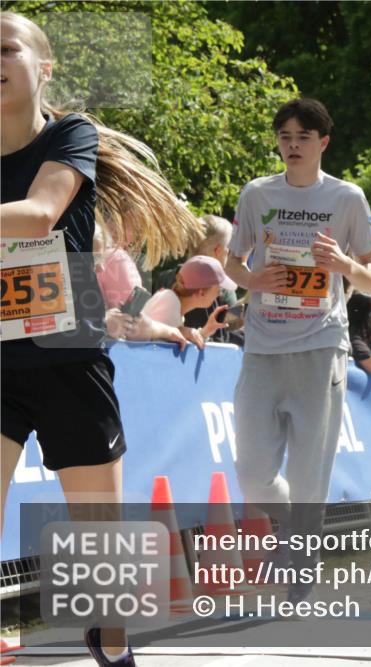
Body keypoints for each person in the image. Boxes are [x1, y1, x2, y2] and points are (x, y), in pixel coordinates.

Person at [1, 12, 201, 666]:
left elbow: (37, 217)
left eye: (6, 49)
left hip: (69, 355)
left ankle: (111, 642)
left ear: (44, 67)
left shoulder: (69, 136)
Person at [224, 98, 371, 603]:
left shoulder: (347, 197)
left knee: (308, 468)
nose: (292, 145)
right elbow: (232, 262)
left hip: (321, 344)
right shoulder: (256, 193)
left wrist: (341, 263)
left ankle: (301, 558)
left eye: (302, 137)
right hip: (262, 344)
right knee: (252, 474)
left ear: (323, 143)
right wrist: (251, 278)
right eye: (285, 136)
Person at [153, 215, 241, 345]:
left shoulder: (162, 279)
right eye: (227, 250)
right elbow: (230, 338)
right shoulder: (224, 291)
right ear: (218, 250)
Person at [141, 255, 234, 349]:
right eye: (219, 290)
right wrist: (182, 332)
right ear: (201, 293)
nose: (219, 295)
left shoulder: (172, 302)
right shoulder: (170, 303)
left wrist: (206, 331)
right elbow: (155, 348)